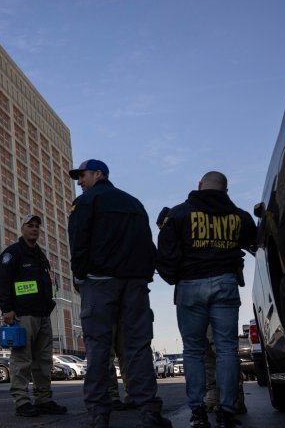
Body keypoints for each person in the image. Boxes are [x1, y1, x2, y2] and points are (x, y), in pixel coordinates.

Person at [67, 159, 172, 428]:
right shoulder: (133, 203)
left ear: (98, 174)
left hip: (100, 283)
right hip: (134, 284)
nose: (80, 182)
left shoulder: (87, 202)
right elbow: (146, 243)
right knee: (137, 346)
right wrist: (144, 275)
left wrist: (80, 276)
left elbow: (78, 240)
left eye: (83, 176)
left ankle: (99, 413)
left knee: (99, 347)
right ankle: (149, 410)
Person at [157, 171, 255, 428]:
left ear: (200, 186)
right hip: (225, 283)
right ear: (225, 191)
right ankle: (227, 410)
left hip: (190, 285)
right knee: (226, 350)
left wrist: (173, 276)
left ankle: (198, 412)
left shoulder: (179, 214)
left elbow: (165, 253)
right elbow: (254, 241)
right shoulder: (239, 216)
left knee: (193, 351)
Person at [0, 214, 68, 417]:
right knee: (22, 361)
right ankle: (22, 401)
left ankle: (44, 399)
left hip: (43, 316)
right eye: (30, 226)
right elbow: (1, 284)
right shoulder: (12, 254)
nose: (34, 229)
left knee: (44, 362)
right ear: (22, 228)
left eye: (37, 226)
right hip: (23, 316)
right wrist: (7, 308)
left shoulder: (40, 256)